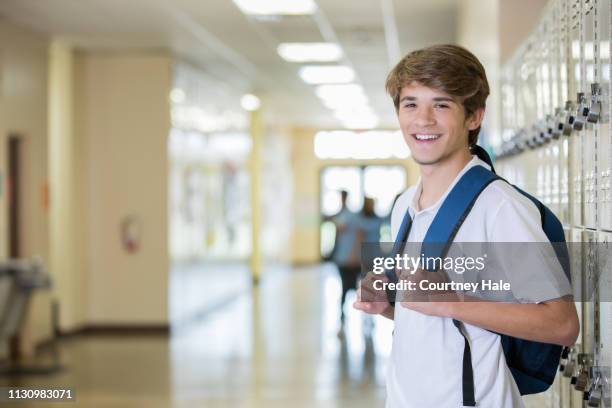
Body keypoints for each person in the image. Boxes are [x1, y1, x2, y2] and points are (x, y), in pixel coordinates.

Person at [353, 44, 579, 407]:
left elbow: (562, 324)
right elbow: (435, 318)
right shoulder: (404, 205)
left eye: (441, 104)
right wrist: (389, 306)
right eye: (411, 104)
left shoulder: (500, 206)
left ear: (473, 117)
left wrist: (453, 301)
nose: (423, 119)